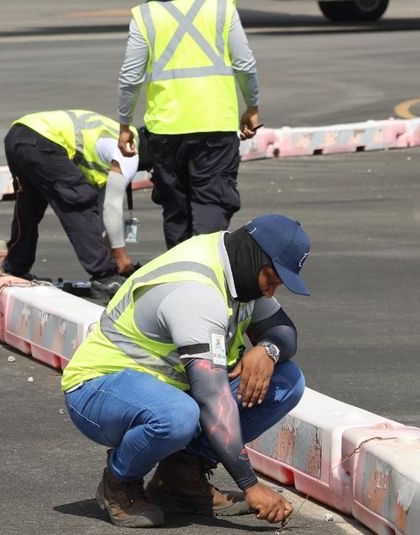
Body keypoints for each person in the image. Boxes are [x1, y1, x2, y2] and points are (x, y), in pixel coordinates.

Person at [61, 214, 310, 528]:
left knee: (287, 381)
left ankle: (181, 478)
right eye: (271, 280)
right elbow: (212, 400)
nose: (271, 292)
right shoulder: (198, 291)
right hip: (99, 388)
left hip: (168, 390)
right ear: (255, 257)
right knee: (179, 416)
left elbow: (285, 331)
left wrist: (268, 350)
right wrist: (251, 485)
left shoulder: (239, 270)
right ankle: (118, 482)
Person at [117, 0, 260, 249]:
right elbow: (245, 63)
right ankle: (208, 276)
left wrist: (124, 124)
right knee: (213, 203)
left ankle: (180, 279)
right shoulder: (221, 7)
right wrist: (252, 106)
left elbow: (130, 77)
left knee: (176, 209)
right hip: (216, 126)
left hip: (166, 131)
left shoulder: (145, 16)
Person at [3, 109, 152, 300]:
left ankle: (16, 265)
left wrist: (111, 249)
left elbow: (101, 213)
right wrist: (120, 258)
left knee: (30, 205)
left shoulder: (113, 136)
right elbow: (111, 207)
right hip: (43, 140)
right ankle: (104, 277)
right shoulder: (129, 151)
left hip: (18, 134)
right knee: (78, 199)